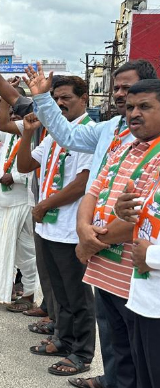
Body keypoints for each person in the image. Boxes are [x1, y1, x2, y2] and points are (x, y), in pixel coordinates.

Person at [32, 59, 157, 388]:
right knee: (113, 330)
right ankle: (113, 378)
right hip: (103, 254)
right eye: (118, 91)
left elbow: (141, 214)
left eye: (130, 91)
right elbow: (93, 183)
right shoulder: (114, 133)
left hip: (134, 257)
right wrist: (43, 98)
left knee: (140, 341)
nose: (121, 97)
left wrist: (91, 238)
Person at [17, 74, 96, 377]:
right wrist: (27, 133)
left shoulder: (88, 133)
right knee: (59, 293)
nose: (61, 103)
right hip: (48, 226)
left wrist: (46, 204)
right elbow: (25, 166)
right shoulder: (54, 135)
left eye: (67, 98)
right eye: (56, 98)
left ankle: (82, 353)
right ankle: (63, 339)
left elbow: (83, 182)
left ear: (84, 99)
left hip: (70, 228)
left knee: (77, 295)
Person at [113, 79, 160, 388]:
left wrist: (152, 256)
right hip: (144, 297)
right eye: (131, 107)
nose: (134, 114)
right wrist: (123, 211)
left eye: (145, 107)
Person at [0, 81, 38, 311]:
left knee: (26, 252)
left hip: (21, 201)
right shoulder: (10, 134)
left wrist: (16, 177)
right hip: (3, 201)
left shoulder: (33, 131)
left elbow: (38, 167)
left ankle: (32, 293)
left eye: (16, 108)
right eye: (10, 108)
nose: (13, 113)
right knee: (2, 246)